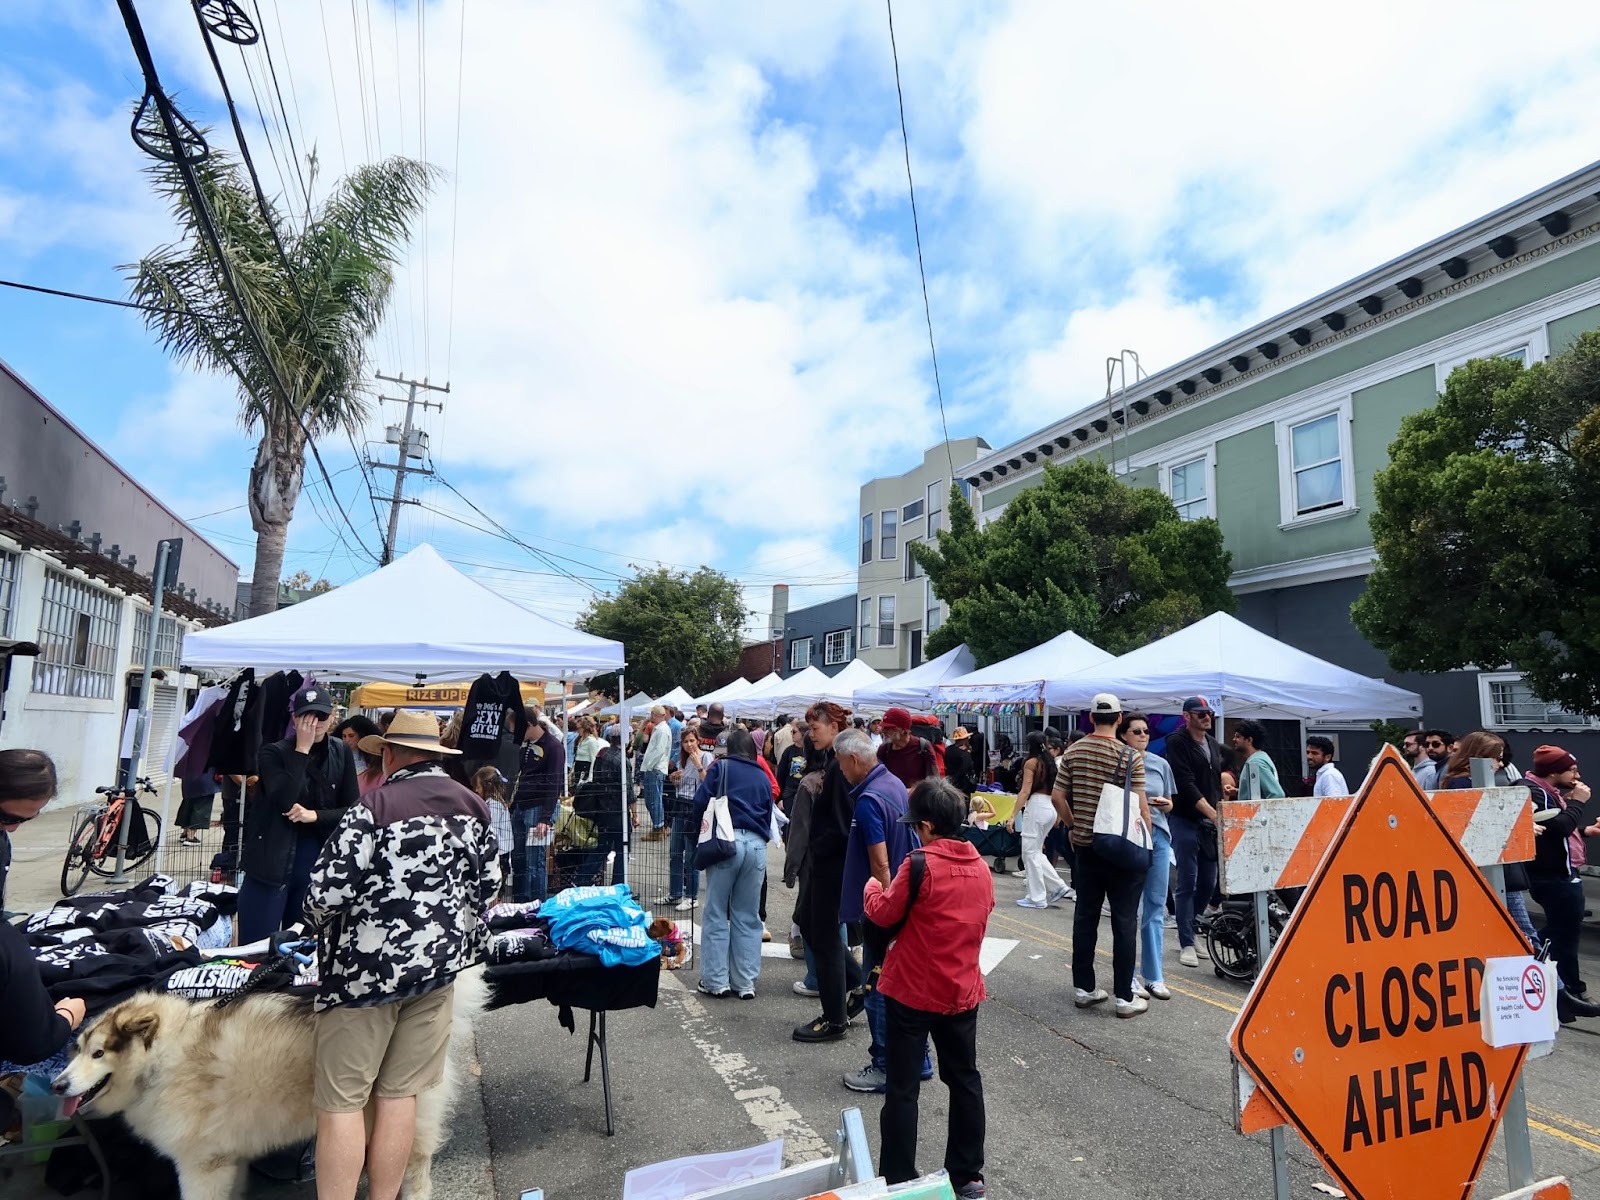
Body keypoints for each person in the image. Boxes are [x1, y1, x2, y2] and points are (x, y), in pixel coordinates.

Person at [303, 709, 499, 1200]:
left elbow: (324, 896)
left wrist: (312, 923)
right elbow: (490, 887)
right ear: (434, 756)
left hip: (362, 980)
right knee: (400, 1095)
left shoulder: (373, 809)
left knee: (343, 1103)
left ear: (388, 754)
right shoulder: (474, 807)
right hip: (437, 975)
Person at [866, 778, 992, 1199]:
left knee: (903, 1088)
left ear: (929, 826)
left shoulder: (919, 863)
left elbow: (884, 914)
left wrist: (871, 888)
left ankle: (899, 1177)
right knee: (964, 1080)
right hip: (962, 990)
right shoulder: (980, 867)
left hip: (913, 989)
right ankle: (967, 1174)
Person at [833, 728, 924, 1094]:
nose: (840, 771)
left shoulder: (869, 798)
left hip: (885, 904)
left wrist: (882, 911)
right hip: (904, 896)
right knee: (902, 987)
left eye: (841, 764)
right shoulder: (894, 783)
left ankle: (885, 1065)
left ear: (854, 760)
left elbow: (880, 862)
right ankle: (920, 1061)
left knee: (877, 987)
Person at [1054, 693, 1150, 1018]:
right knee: (1124, 922)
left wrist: (1072, 825)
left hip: (1086, 849)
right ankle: (1124, 997)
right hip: (1122, 849)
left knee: (1086, 918)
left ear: (1092, 718)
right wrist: (1146, 842)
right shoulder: (1130, 755)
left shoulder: (1073, 751)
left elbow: (1057, 797)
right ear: (1120, 719)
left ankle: (1084, 988)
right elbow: (1141, 805)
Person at [241, 688, 358, 944]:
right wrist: (301, 750)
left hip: (316, 859)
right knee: (257, 945)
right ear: (294, 719)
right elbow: (283, 799)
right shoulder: (272, 752)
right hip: (271, 859)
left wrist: (315, 816)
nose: (313, 724)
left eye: (321, 716)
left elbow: (352, 808)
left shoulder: (340, 751)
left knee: (301, 946)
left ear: (333, 717)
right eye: (306, 717)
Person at [793, 701, 864, 1043]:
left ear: (834, 728)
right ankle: (858, 985)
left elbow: (840, 827)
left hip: (832, 864)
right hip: (829, 863)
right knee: (809, 925)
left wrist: (816, 849)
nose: (810, 734)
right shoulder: (836, 764)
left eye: (815, 728)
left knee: (822, 936)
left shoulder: (838, 767)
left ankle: (834, 1017)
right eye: (808, 728)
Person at [692, 729, 774, 999]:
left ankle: (716, 981)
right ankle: (745, 982)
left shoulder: (721, 768)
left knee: (716, 912)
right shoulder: (762, 776)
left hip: (726, 844)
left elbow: (700, 804)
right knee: (748, 916)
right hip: (757, 846)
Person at [1164, 695, 1223, 969]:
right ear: (1186, 716)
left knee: (1209, 881)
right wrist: (1212, 812)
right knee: (1187, 879)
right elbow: (1185, 784)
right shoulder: (1177, 742)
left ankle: (1192, 927)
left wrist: (1220, 806)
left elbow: (1213, 781)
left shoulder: (1211, 743)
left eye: (1209, 713)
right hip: (1186, 818)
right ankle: (1186, 940)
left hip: (1209, 822)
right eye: (1200, 714)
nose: (1207, 717)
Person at [1119, 714, 1174, 1002]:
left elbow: (1171, 801)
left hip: (1159, 838)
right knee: (1130, 907)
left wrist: (1167, 804)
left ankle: (1154, 975)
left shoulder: (1160, 764)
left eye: (1145, 731)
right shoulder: (1119, 763)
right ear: (1124, 734)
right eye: (1136, 731)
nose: (1142, 735)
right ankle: (1127, 974)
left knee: (1155, 906)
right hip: (1130, 838)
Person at [1010, 731, 1071, 909]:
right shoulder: (1050, 762)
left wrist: (1013, 815)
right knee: (1035, 851)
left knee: (1030, 852)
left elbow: (1025, 790)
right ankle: (1057, 886)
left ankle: (1037, 896)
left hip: (1036, 806)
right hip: (1050, 807)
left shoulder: (1031, 763)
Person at [510, 712, 564, 903]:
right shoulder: (526, 745)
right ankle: (520, 903)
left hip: (538, 808)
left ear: (529, 724)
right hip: (520, 806)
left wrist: (545, 817)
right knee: (519, 859)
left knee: (534, 862)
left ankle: (535, 906)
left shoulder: (553, 747)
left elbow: (555, 782)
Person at [662, 728, 708, 912]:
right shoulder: (685, 759)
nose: (689, 744)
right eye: (685, 741)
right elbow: (685, 783)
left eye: (691, 740)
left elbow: (709, 782)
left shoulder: (704, 757)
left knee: (690, 855)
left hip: (695, 808)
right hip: (680, 804)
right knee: (675, 852)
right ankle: (675, 893)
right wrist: (675, 780)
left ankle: (692, 896)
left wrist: (699, 766)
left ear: (698, 740)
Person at [473, 766, 514, 896]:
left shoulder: (494, 806)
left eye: (478, 786)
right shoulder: (494, 803)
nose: (475, 790)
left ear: (487, 786)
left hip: (499, 852)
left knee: (495, 889)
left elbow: (492, 831)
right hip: (500, 851)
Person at [876, 708, 938, 791]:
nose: (883, 731)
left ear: (902, 730)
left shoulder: (923, 747)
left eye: (888, 728)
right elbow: (877, 777)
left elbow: (934, 781)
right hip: (891, 799)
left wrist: (913, 791)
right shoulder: (884, 749)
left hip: (915, 801)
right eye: (883, 727)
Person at [639, 705, 672, 840]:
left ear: (655, 714)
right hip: (654, 768)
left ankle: (658, 828)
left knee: (654, 800)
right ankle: (658, 827)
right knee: (652, 800)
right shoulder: (661, 729)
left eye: (652, 714)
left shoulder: (662, 730)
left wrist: (649, 765)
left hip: (655, 769)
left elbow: (659, 750)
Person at [1232, 720, 1284, 802]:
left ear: (1249, 740)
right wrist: (1238, 792)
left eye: (1238, 737)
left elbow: (1276, 794)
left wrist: (1261, 813)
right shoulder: (1261, 757)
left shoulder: (1256, 762)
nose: (1234, 739)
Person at [944, 726, 978, 798]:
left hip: (949, 783)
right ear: (964, 739)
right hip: (963, 787)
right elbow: (968, 768)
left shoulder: (947, 750)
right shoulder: (964, 754)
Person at [572, 717, 602, 786]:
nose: (577, 730)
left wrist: (590, 777)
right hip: (579, 771)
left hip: (585, 771)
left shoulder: (591, 741)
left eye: (578, 728)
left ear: (584, 728)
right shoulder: (581, 740)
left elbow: (594, 759)